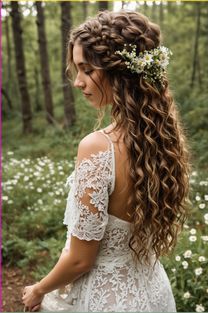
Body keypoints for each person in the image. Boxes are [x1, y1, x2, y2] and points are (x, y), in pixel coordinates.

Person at [22, 10, 190, 312]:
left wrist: (38, 290)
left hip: (107, 300)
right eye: (76, 69)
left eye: (87, 70)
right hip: (154, 293)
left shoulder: (98, 146)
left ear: (120, 73)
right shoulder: (162, 138)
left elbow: (80, 258)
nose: (77, 81)